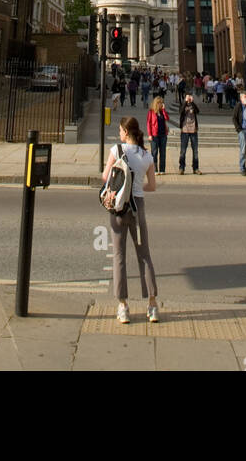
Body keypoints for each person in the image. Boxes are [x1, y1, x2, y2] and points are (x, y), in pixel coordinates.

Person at [101, 116, 160, 324]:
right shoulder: (147, 156)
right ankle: (152, 305)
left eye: (120, 130)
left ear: (126, 132)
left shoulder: (116, 151)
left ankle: (123, 306)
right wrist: (135, 188)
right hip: (138, 207)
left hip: (118, 207)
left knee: (118, 255)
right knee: (144, 255)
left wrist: (121, 188)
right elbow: (152, 186)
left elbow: (105, 176)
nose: (119, 134)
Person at [178, 92, 202, 174]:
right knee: (183, 150)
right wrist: (185, 102)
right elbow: (180, 111)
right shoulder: (183, 105)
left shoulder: (193, 105)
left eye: (190, 97)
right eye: (187, 97)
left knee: (195, 151)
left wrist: (192, 102)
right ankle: (181, 168)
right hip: (185, 130)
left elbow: (198, 111)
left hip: (193, 130)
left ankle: (195, 168)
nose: (189, 99)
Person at [147, 95, 170, 174]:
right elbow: (148, 123)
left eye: (162, 103)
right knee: (154, 152)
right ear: (156, 103)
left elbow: (167, 118)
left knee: (163, 152)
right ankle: (155, 169)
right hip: (154, 135)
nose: (161, 104)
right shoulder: (151, 112)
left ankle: (162, 169)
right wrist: (149, 134)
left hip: (163, 134)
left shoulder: (163, 112)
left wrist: (164, 110)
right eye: (160, 103)